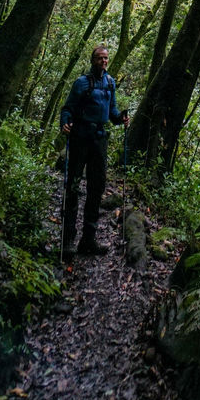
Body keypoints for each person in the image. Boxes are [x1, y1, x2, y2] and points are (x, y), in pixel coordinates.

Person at [60, 44, 129, 258]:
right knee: (73, 186)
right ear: (93, 60)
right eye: (100, 58)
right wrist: (65, 122)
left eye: (106, 58)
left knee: (96, 189)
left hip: (100, 141)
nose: (104, 62)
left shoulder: (110, 83)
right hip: (80, 138)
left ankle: (88, 240)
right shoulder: (81, 83)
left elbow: (112, 112)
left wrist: (120, 119)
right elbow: (67, 108)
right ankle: (67, 241)